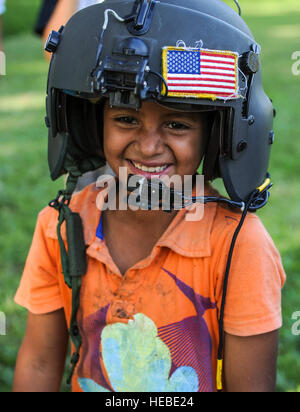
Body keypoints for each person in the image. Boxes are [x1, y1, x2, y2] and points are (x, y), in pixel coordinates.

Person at [13, 0, 286, 392]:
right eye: (126, 118)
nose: (148, 145)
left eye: (177, 124)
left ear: (218, 136)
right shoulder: (61, 226)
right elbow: (39, 363)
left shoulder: (239, 246)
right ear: (92, 126)